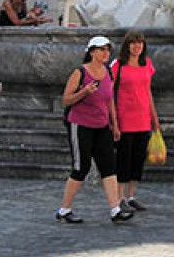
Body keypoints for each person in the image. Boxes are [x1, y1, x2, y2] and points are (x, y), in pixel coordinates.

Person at [57, 36, 131, 224]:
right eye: (101, 49)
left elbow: (109, 100)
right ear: (91, 52)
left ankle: (115, 210)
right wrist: (84, 91)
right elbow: (66, 100)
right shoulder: (80, 72)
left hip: (101, 126)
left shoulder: (107, 72)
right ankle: (64, 209)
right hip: (80, 125)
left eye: (107, 49)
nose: (106, 53)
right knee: (81, 167)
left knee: (109, 167)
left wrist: (114, 124)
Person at [112, 31, 158, 212]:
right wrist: (114, 119)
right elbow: (109, 92)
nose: (137, 46)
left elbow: (148, 91)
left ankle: (131, 195)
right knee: (124, 158)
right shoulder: (119, 65)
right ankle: (119, 196)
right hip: (125, 117)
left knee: (138, 158)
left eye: (140, 43)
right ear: (127, 46)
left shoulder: (147, 63)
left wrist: (154, 116)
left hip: (143, 118)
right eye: (133, 43)